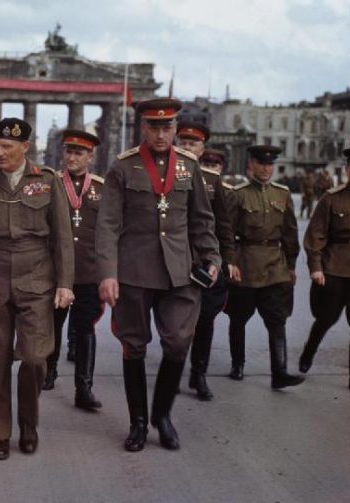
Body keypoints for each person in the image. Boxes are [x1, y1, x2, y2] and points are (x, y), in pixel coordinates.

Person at [96, 98, 220, 452]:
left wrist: (211, 256)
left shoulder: (188, 167)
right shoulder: (123, 168)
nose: (161, 133)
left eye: (167, 127)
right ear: (144, 128)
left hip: (179, 272)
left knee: (179, 341)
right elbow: (107, 225)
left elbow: (201, 219)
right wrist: (107, 273)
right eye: (154, 127)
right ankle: (138, 423)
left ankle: (161, 415)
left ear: (176, 128)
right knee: (134, 345)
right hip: (133, 271)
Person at [0, 117, 74, 460]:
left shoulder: (46, 181)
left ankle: (29, 422)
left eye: (7, 147)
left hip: (36, 275)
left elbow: (62, 238)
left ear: (25, 148)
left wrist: (65, 283)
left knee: (35, 357)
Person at [225, 145, 303, 389]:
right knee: (238, 318)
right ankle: (238, 364)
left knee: (277, 319)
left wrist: (290, 265)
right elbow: (226, 233)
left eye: (270, 164)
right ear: (251, 164)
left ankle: (279, 372)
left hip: (275, 265)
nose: (266, 168)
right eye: (261, 163)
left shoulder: (282, 194)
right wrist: (230, 262)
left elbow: (290, 232)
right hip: (246, 264)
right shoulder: (238, 194)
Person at [42, 128, 106, 412]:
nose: (71, 157)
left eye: (78, 153)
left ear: (90, 155)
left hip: (89, 272)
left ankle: (84, 387)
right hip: (55, 272)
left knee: (85, 329)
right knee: (52, 324)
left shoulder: (102, 189)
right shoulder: (50, 184)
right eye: (68, 151)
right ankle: (49, 371)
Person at [300, 148, 350, 394]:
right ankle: (308, 353)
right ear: (347, 170)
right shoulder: (330, 198)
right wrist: (316, 268)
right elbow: (315, 236)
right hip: (334, 269)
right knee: (326, 318)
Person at [176, 122, 236, 401]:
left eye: (193, 144)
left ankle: (198, 374)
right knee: (175, 323)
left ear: (202, 149)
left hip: (205, 263)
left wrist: (227, 260)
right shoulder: (166, 177)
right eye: (184, 142)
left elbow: (223, 227)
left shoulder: (212, 181)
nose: (187, 147)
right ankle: (173, 371)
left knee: (206, 320)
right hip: (175, 261)